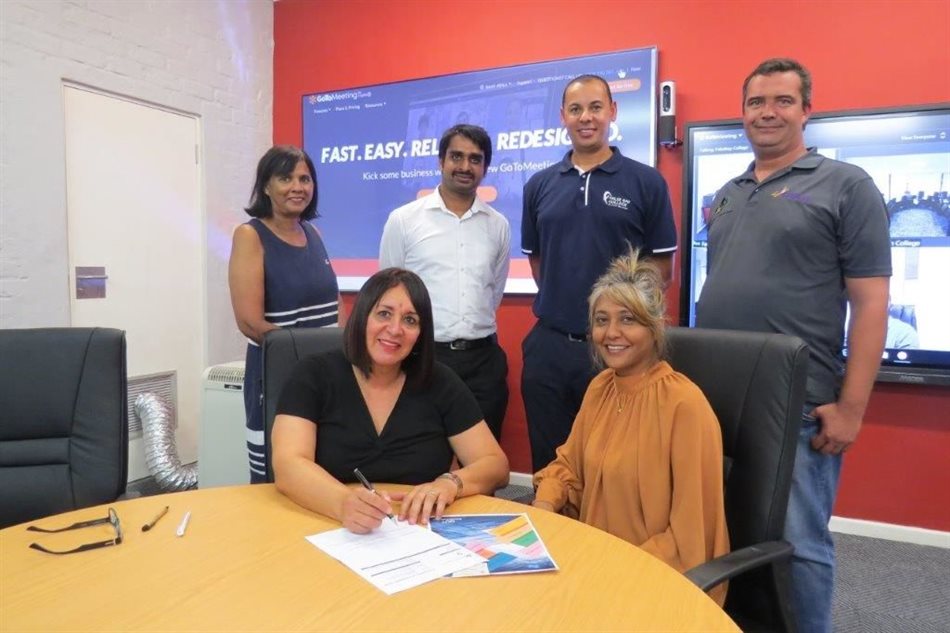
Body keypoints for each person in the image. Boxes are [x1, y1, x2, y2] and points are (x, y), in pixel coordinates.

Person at [695, 58, 891, 632]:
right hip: (720, 396)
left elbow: (871, 303)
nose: (768, 112)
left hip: (799, 401)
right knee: (730, 530)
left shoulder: (846, 185)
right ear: (744, 113)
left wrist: (852, 407)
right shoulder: (727, 194)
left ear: (807, 110)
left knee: (799, 542)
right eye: (757, 102)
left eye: (782, 101)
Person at [532, 251, 728, 606]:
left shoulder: (684, 406)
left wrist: (613, 568)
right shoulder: (601, 388)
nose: (611, 333)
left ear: (654, 328)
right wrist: (545, 504)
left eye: (628, 320)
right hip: (590, 562)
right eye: (601, 320)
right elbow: (568, 468)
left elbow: (690, 539)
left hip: (650, 580)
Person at [271, 267, 509, 532]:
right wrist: (343, 503)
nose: (395, 329)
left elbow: (495, 465)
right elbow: (288, 464)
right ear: (362, 317)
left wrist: (449, 482)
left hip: (412, 532)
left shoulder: (439, 381)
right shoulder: (313, 375)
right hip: (323, 521)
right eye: (384, 314)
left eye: (410, 320)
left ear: (420, 333)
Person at [520, 74, 678, 471]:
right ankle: (556, 533)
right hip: (551, 348)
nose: (585, 117)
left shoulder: (646, 182)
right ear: (563, 117)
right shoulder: (539, 185)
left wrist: (618, 322)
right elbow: (539, 264)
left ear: (612, 111)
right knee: (550, 462)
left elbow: (661, 270)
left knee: (617, 464)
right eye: (575, 109)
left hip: (618, 348)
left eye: (594, 107)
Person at [379, 124, 511, 440]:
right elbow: (388, 292)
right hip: (423, 358)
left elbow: (493, 292)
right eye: (456, 156)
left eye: (475, 159)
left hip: (483, 362)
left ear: (485, 167)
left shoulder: (499, 225)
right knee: (422, 454)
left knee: (483, 458)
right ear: (441, 161)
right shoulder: (404, 220)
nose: (465, 167)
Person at [228, 145, 343, 484]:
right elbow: (249, 322)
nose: (297, 186)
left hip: (326, 374)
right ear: (266, 186)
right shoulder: (250, 235)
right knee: (278, 476)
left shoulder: (313, 233)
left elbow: (335, 304)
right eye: (285, 178)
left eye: (305, 178)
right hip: (278, 376)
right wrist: (302, 357)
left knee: (323, 470)